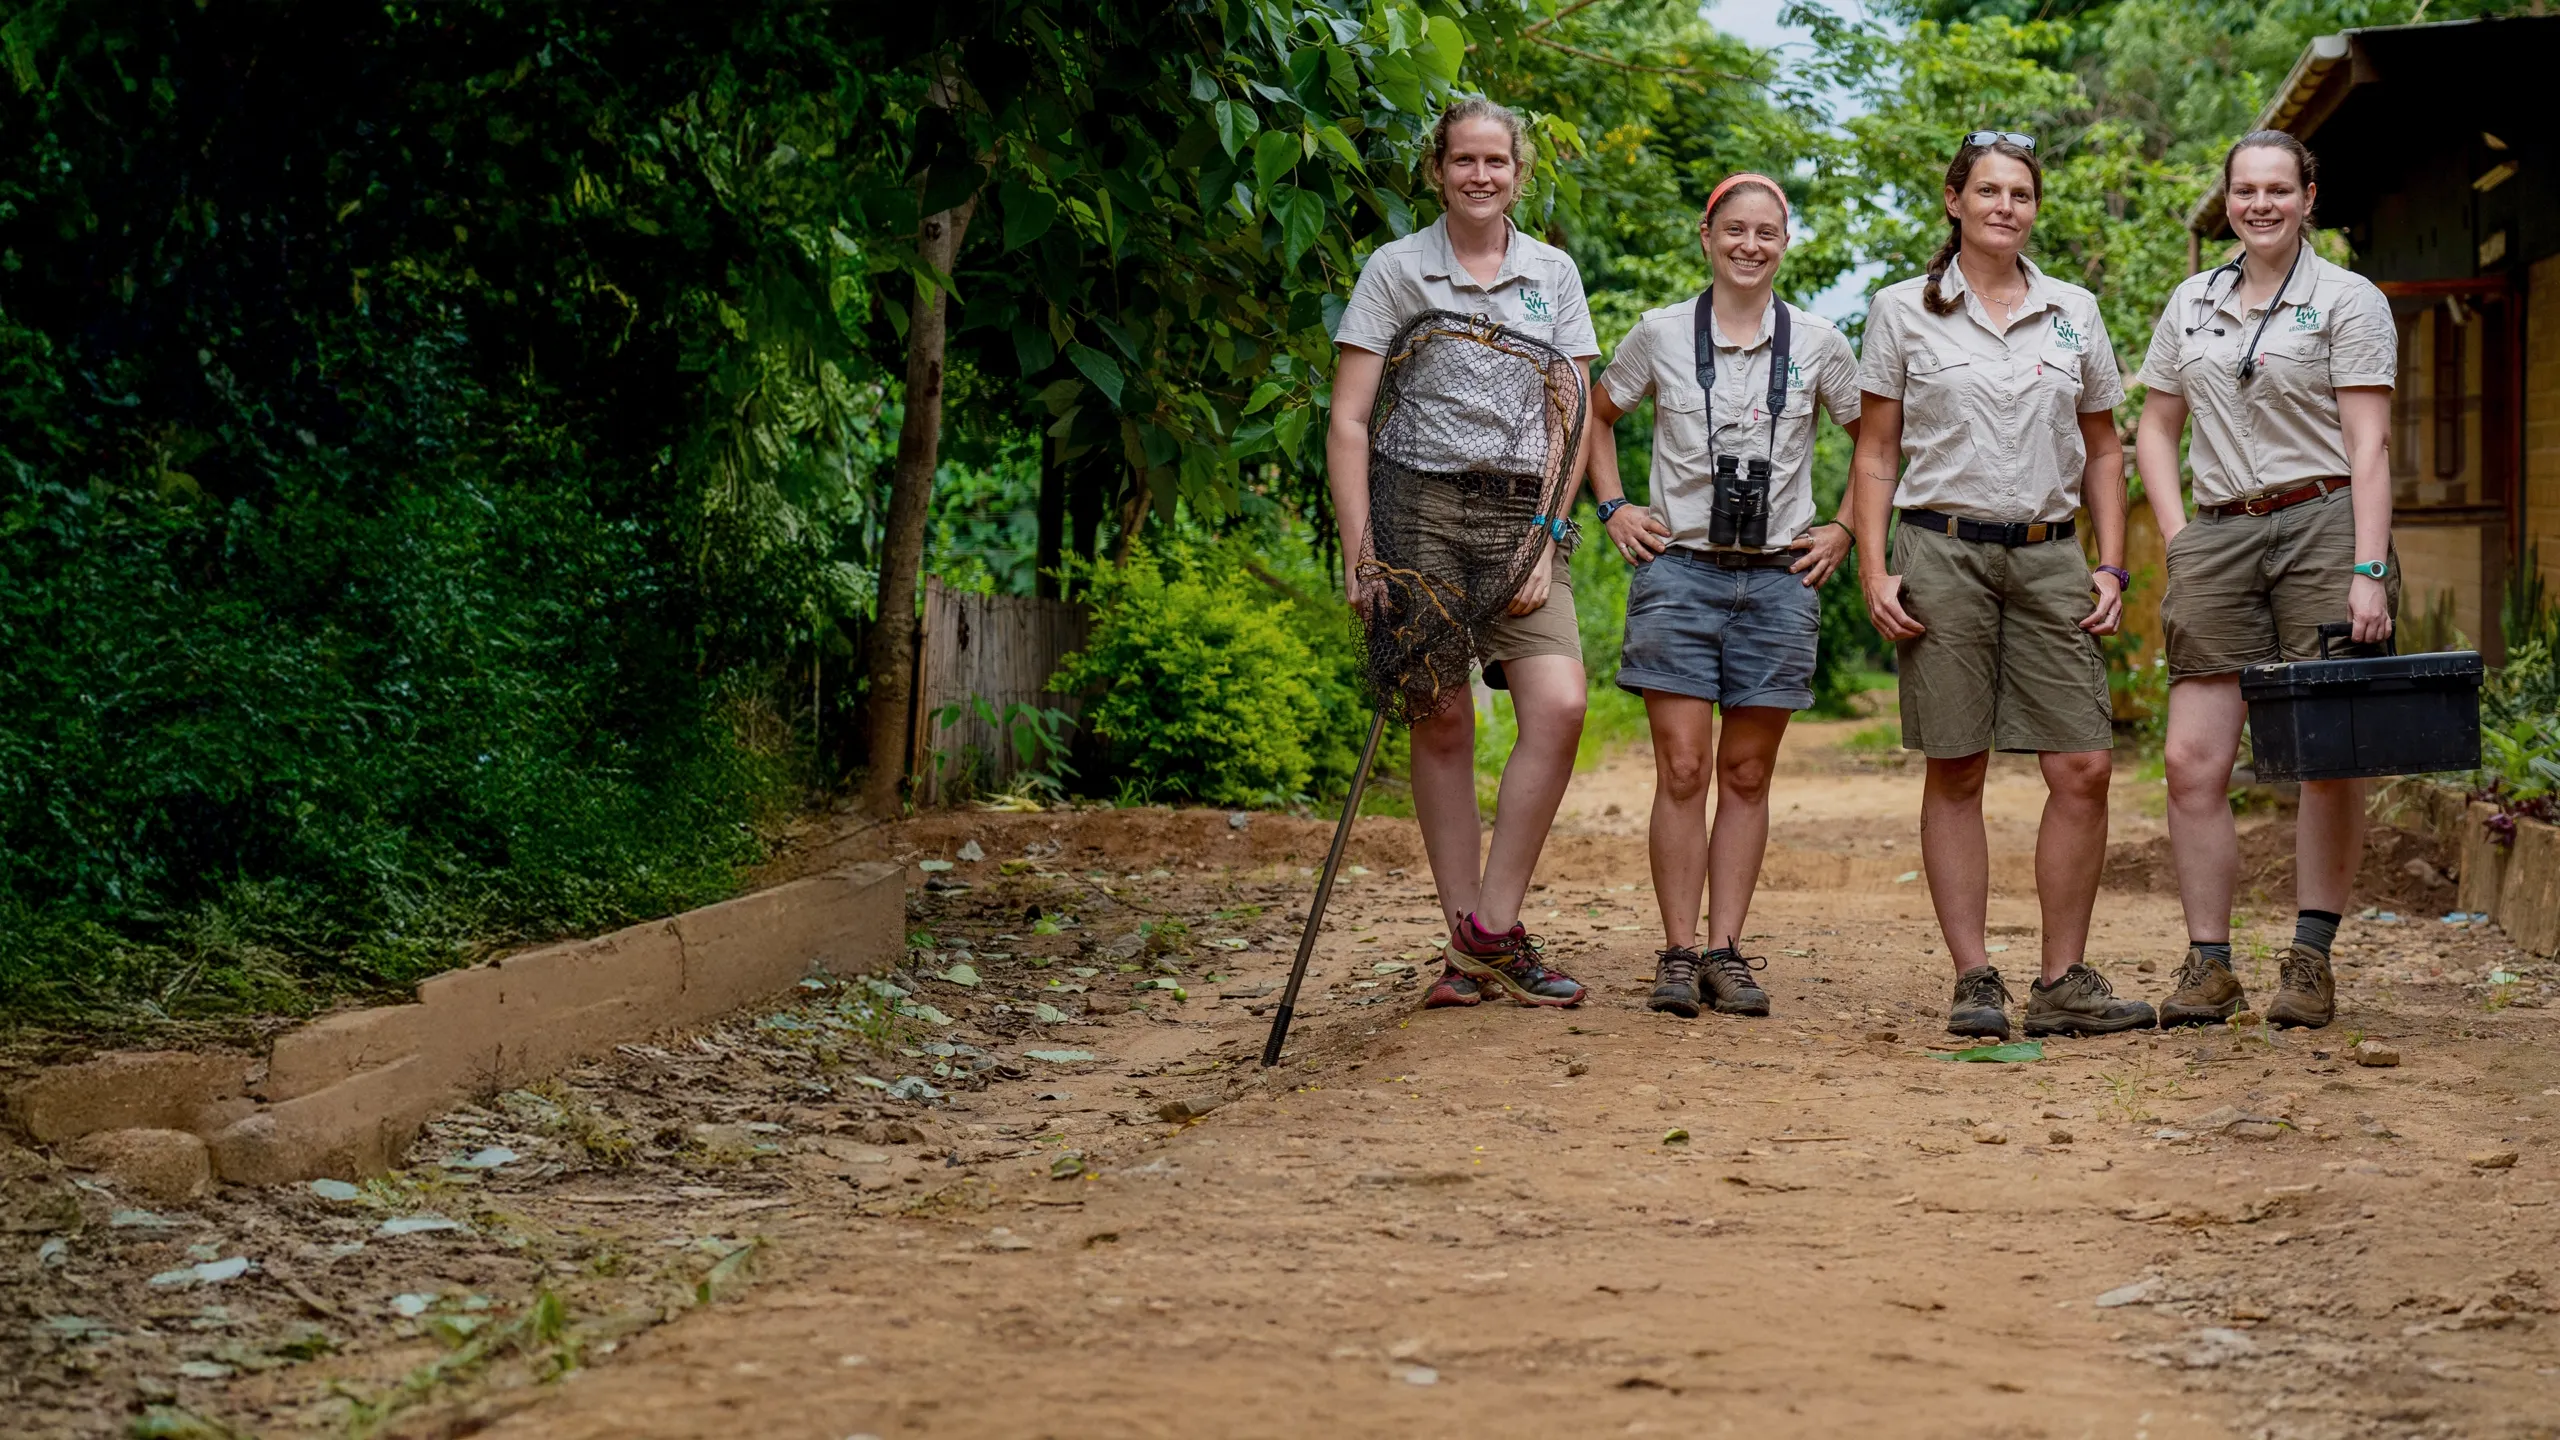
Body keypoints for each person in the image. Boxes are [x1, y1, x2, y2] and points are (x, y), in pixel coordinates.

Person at [1851, 131, 2156, 1040]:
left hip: (2051, 552)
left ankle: (2063, 980)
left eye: (2020, 194)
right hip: (1940, 550)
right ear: (1955, 201)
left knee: (2084, 766)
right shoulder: (1902, 309)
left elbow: (2106, 445)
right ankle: (1975, 976)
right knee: (1958, 765)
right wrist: (1874, 567)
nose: (2004, 207)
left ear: (2034, 209)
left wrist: (2109, 563)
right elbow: (1875, 450)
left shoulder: (2076, 312)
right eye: (1987, 190)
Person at [1329, 96, 1594, 1009]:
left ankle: (1491, 928)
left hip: (1522, 511)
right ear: (1437, 170)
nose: (1481, 176)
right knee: (1439, 718)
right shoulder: (1397, 269)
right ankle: (1464, 946)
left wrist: (1547, 540)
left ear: (1520, 174)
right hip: (1419, 509)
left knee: (1558, 705)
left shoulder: (1552, 273)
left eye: (1498, 162)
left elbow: (1574, 412)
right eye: (1464, 161)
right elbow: (1350, 417)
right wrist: (1364, 551)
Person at [2133, 130, 2399, 1030]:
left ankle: (2310, 959)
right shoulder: (2191, 301)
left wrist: (2368, 569)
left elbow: (2369, 444)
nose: (2260, 204)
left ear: (2309, 197)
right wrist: (2179, 538)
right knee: (2191, 759)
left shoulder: (2348, 300)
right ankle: (2210, 964)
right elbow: (2156, 428)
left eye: (2278, 189)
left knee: (2329, 756)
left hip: (2325, 525)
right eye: (2245, 190)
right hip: (2219, 533)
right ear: (2228, 202)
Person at [1582, 174, 1863, 1019]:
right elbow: (1595, 412)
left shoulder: (1817, 341)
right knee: (1683, 767)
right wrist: (1613, 504)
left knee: (1746, 771)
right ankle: (1674, 950)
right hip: (1681, 569)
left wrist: (1845, 527)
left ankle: (1726, 950)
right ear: (1706, 235)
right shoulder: (1661, 332)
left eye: (1767, 233)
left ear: (1785, 243)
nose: (1750, 245)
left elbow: (1881, 438)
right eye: (1735, 230)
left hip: (1781, 576)